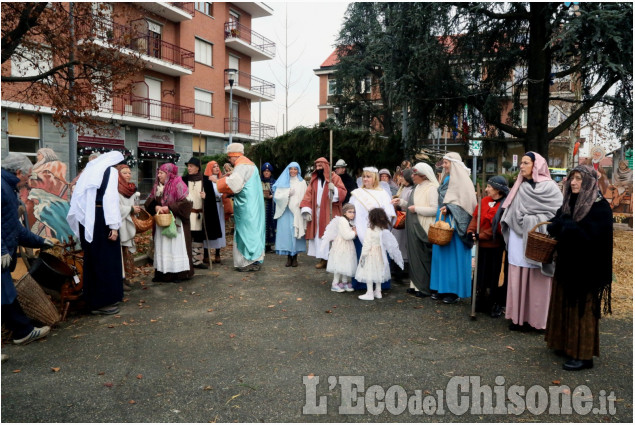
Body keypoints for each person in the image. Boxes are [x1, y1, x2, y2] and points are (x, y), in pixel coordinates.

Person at [546, 165, 613, 371]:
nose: (573, 183)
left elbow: (596, 239)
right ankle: (564, 344)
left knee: (581, 310)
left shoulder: (599, 207)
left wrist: (569, 227)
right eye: (572, 178)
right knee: (564, 305)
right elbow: (555, 224)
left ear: (589, 182)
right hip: (567, 264)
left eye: (579, 179)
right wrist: (558, 225)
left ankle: (584, 356)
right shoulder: (569, 202)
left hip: (587, 269)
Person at [501, 152, 563, 331]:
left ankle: (537, 321)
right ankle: (518, 318)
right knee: (518, 274)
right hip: (518, 236)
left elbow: (557, 214)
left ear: (536, 165)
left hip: (538, 238)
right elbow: (511, 210)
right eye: (521, 162)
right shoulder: (520, 186)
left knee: (537, 278)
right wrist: (523, 219)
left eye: (526, 162)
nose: (521, 166)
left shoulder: (550, 187)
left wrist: (532, 219)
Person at [2, 153, 54, 345]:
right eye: (27, 175)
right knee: (5, 294)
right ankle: (23, 331)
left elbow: (14, 228)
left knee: (6, 294)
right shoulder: (2, 187)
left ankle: (22, 331)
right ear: (17, 172)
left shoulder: (8, 188)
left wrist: (41, 241)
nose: (28, 179)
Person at [67, 151, 125, 315]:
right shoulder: (110, 172)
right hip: (102, 219)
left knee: (92, 259)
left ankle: (92, 300)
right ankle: (104, 302)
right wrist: (114, 226)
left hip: (87, 220)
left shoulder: (90, 170)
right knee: (106, 261)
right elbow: (110, 199)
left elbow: (78, 196)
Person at [430, 152, 477, 304]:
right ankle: (442, 288)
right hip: (443, 219)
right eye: (443, 163)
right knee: (442, 256)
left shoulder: (462, 180)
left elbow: (466, 203)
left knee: (454, 257)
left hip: (454, 222)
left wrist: (450, 208)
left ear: (454, 164)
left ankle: (454, 291)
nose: (444, 165)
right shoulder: (447, 178)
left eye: (446, 163)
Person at [214, 143, 265, 272]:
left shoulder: (241, 166)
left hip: (246, 205)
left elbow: (234, 185)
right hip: (254, 204)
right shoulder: (250, 164)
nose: (229, 160)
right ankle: (256, 259)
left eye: (229, 157)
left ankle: (247, 261)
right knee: (255, 229)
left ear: (234, 155)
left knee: (246, 231)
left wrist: (217, 182)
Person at [466, 176, 509, 317]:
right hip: (481, 245)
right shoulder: (484, 201)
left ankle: (492, 304)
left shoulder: (504, 205)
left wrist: (482, 235)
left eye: (489, 187)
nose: (486, 189)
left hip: (495, 246)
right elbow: (475, 218)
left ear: (497, 190)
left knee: (493, 275)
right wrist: (471, 231)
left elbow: (498, 226)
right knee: (480, 274)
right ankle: (480, 301)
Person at [144, 163, 194, 282]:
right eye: (158, 173)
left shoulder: (179, 184)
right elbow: (149, 202)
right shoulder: (157, 186)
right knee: (163, 247)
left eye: (161, 173)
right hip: (162, 224)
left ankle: (178, 273)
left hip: (176, 223)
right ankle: (163, 274)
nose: (158, 175)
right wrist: (156, 207)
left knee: (175, 248)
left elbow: (187, 203)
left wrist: (170, 208)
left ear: (169, 174)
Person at [349, 167, 396, 291]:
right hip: (360, 229)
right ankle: (362, 284)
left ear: (374, 178)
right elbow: (351, 212)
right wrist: (352, 226)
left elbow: (389, 213)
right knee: (361, 255)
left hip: (377, 231)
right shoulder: (357, 193)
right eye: (364, 176)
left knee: (379, 257)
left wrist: (382, 228)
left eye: (368, 176)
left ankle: (381, 284)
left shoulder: (383, 194)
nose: (365, 179)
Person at [300, 157, 347, 269]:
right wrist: (307, 210)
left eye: (320, 166)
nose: (318, 168)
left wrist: (334, 189)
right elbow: (308, 195)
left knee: (330, 234)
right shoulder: (314, 180)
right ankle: (323, 259)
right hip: (317, 212)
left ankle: (333, 259)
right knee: (319, 235)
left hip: (330, 211)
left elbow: (343, 192)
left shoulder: (335, 178)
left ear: (326, 166)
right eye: (317, 166)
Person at [402, 162, 439, 297]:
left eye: (415, 174)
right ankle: (415, 284)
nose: (412, 176)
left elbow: (435, 210)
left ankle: (424, 286)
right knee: (414, 255)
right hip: (414, 223)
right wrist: (401, 203)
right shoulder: (416, 188)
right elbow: (412, 205)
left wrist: (416, 209)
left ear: (423, 175)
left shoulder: (432, 188)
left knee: (423, 255)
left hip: (424, 225)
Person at [355, 208, 404, 300]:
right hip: (380, 254)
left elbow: (367, 244)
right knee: (378, 272)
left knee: (369, 273)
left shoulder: (370, 230)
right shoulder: (383, 230)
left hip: (371, 254)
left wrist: (363, 255)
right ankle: (378, 291)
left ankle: (369, 293)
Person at [272, 162, 308, 267]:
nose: (293, 171)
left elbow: (305, 196)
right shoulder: (283, 181)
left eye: (295, 169)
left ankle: (295, 257)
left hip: (297, 211)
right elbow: (276, 196)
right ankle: (288, 257)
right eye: (291, 169)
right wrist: (287, 194)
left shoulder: (302, 183)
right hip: (285, 211)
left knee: (295, 233)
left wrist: (300, 206)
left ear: (298, 170)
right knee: (287, 234)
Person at [322, 203, 357, 292]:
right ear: (344, 212)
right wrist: (355, 233)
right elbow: (346, 235)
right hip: (341, 245)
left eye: (353, 212)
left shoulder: (349, 221)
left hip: (347, 245)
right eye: (350, 212)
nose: (352, 214)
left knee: (346, 263)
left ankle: (344, 282)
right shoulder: (342, 220)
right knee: (339, 263)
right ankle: (335, 283)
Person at [183, 157, 211, 269]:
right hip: (188, 214)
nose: (188, 168)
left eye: (191, 166)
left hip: (200, 214)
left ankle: (197, 261)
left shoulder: (205, 181)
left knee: (199, 237)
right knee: (187, 237)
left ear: (197, 168)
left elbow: (212, 200)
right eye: (188, 166)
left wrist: (206, 197)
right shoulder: (184, 180)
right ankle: (187, 260)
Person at [116, 164, 140, 291]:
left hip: (129, 221)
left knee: (127, 254)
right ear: (119, 174)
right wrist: (130, 209)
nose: (128, 175)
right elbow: (116, 208)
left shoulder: (132, 189)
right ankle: (121, 279)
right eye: (125, 173)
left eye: (129, 173)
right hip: (121, 224)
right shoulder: (115, 188)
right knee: (120, 253)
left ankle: (127, 277)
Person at [390, 168, 414, 281]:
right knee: (397, 243)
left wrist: (399, 204)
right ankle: (397, 269)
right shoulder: (404, 188)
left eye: (402, 176)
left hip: (404, 221)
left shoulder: (411, 190)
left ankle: (401, 271)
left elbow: (409, 204)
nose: (400, 178)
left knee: (402, 245)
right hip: (400, 221)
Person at [202, 161, 226, 264]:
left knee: (219, 227)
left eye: (217, 166)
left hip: (219, 206)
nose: (217, 168)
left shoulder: (220, 180)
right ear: (210, 168)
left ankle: (217, 253)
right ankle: (206, 254)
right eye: (214, 167)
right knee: (208, 228)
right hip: (209, 207)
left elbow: (223, 192)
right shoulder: (206, 181)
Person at [261, 162, 277, 252]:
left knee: (270, 224)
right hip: (261, 207)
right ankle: (261, 245)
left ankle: (269, 246)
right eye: (265, 171)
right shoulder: (258, 181)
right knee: (261, 225)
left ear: (271, 172)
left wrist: (272, 196)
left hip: (271, 207)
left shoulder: (274, 182)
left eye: (268, 171)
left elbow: (278, 193)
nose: (266, 172)